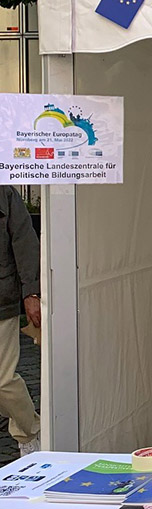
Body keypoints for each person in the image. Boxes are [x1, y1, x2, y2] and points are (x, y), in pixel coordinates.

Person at [0, 187, 41, 456]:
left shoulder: (5, 193)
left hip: (2, 301)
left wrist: (31, 292)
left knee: (2, 379)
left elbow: (25, 241)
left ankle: (30, 432)